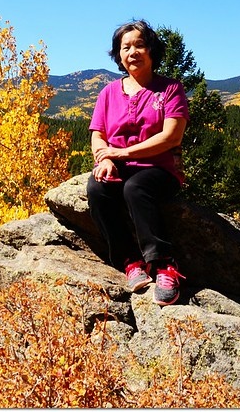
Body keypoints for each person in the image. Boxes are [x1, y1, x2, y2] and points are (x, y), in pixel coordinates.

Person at [86, 19, 189, 306]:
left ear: (151, 51)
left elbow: (171, 137)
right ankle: (130, 262)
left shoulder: (170, 89)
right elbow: (98, 134)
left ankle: (164, 266)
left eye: (140, 45)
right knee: (97, 188)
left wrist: (119, 154)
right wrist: (103, 159)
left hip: (159, 168)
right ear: (118, 55)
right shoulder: (108, 92)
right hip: (118, 165)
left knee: (135, 189)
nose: (133, 52)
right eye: (126, 47)